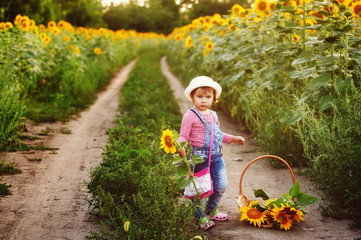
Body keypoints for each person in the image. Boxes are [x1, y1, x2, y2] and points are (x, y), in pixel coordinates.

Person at [178, 76, 245, 230]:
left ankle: (210, 210)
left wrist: (233, 138)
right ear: (192, 97)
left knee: (221, 185)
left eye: (208, 97)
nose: (203, 100)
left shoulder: (213, 115)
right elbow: (183, 136)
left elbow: (218, 134)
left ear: (214, 98)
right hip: (198, 157)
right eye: (199, 96)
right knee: (201, 190)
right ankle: (200, 218)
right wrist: (181, 147)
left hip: (216, 157)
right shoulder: (190, 115)